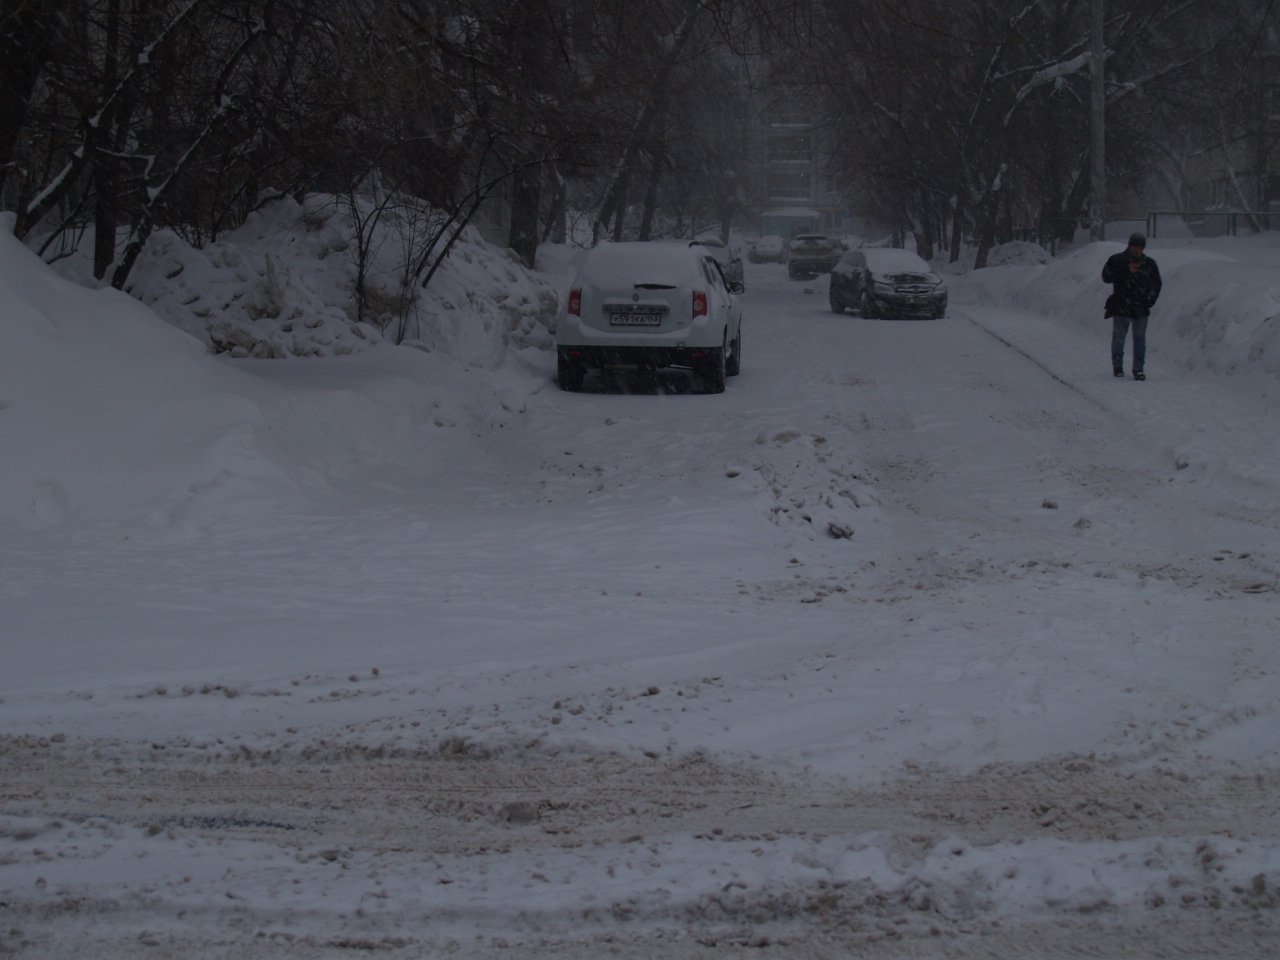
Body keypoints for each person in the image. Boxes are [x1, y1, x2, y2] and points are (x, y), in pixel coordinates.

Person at [1101, 233, 1162, 381]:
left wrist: (1149, 300)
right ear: (1129, 246)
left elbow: (1156, 284)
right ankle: (1117, 366)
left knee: (1139, 338)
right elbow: (1106, 277)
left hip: (1140, 307)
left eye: (1141, 248)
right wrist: (1126, 270)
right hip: (1121, 305)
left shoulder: (1149, 264)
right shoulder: (1117, 260)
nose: (1138, 250)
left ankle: (1138, 369)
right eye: (1135, 247)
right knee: (1119, 338)